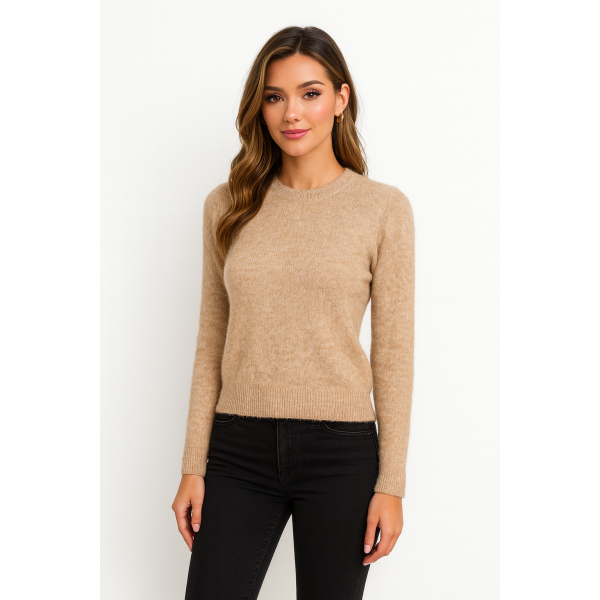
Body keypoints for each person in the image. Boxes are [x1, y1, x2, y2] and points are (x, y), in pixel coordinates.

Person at [171, 25, 415, 600]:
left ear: (341, 98)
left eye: (310, 93)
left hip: (341, 454)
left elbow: (394, 355)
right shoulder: (227, 205)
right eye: (274, 96)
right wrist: (192, 464)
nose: (292, 113)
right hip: (236, 449)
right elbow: (211, 342)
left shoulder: (383, 209)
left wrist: (392, 484)